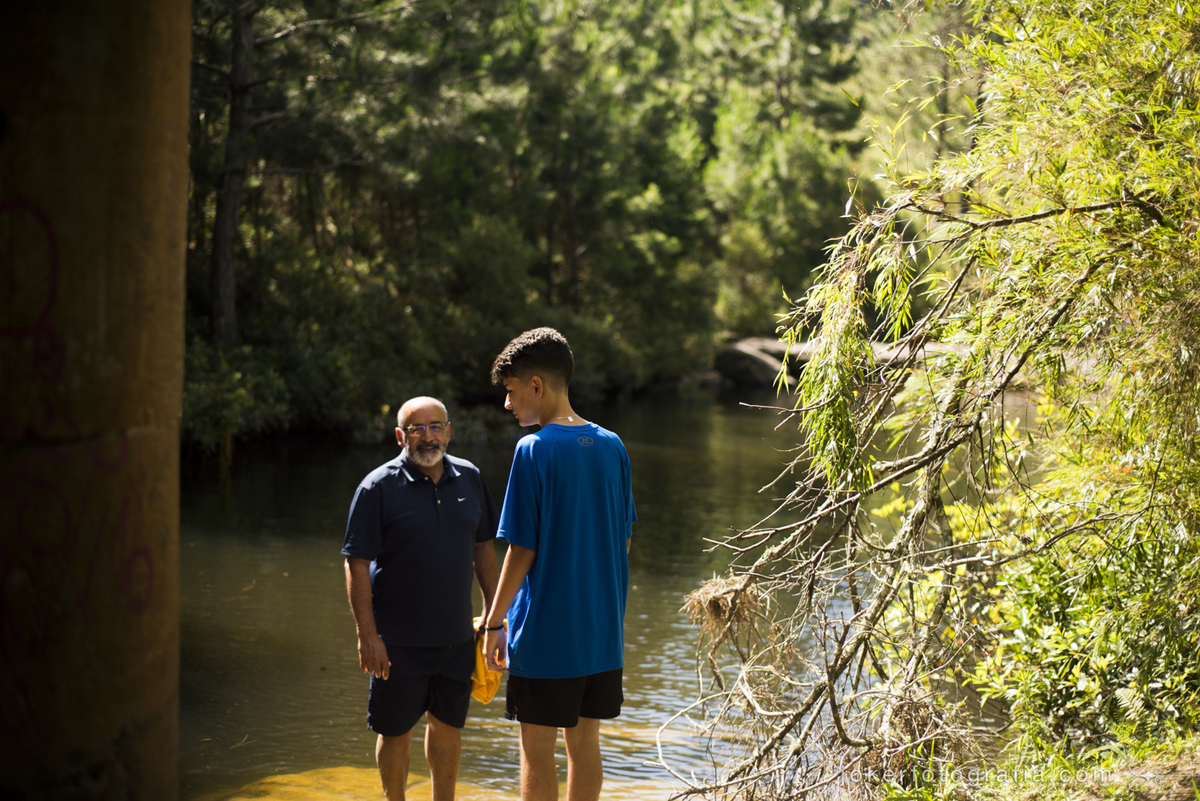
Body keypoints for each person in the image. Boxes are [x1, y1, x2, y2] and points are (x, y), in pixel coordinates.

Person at [482, 328, 636, 801]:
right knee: (584, 743)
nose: (507, 405)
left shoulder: (534, 450)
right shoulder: (613, 445)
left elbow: (521, 550)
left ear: (535, 385)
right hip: (601, 633)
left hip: (548, 635)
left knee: (536, 748)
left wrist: (493, 622)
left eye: (510, 392)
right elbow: (624, 540)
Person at [343, 396, 500, 801]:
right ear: (400, 436)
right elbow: (356, 563)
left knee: (448, 728)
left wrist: (494, 616)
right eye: (417, 428)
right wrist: (367, 635)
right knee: (394, 732)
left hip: (456, 639)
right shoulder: (376, 487)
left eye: (435, 427)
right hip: (396, 642)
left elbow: (484, 551)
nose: (427, 437)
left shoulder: (470, 478)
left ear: (449, 431)